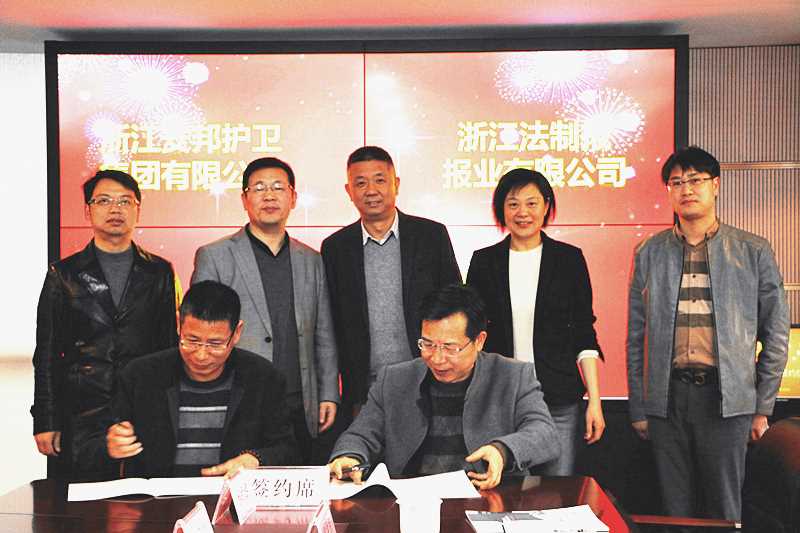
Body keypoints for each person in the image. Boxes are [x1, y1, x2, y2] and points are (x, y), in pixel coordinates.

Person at [626, 146, 789, 521]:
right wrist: (639, 406)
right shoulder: (649, 251)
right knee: (674, 509)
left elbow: (776, 335)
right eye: (676, 182)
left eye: (696, 180)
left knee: (725, 509)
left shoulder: (752, 250)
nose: (686, 189)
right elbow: (636, 337)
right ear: (669, 191)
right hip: (667, 399)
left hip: (726, 400)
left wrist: (761, 406)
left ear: (715, 185)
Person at [328, 284, 559, 490]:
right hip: (413, 501)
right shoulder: (395, 380)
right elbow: (360, 435)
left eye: (450, 348)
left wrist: (502, 451)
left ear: (479, 341)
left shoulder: (513, 376)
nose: (437, 359)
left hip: (487, 498)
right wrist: (349, 456)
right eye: (427, 344)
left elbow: (544, 433)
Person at [31, 169, 179, 480]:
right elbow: (46, 354)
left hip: (141, 408)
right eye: (104, 201)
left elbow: (168, 347)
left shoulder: (159, 272)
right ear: (88, 210)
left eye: (125, 201)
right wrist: (45, 419)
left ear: (138, 209)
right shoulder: (63, 274)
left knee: (142, 501)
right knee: (78, 503)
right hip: (81, 411)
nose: (115, 209)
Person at [191, 157, 339, 465]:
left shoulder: (311, 259)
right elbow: (200, 334)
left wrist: (328, 393)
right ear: (244, 199)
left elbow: (323, 333)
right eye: (259, 188)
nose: (269, 196)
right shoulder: (215, 256)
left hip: (300, 402)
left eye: (278, 188)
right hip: (239, 400)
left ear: (293, 197)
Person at [466, 168, 605, 475]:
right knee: (503, 491)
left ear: (546, 206)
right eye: (513, 204)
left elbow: (584, 333)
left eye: (532, 203)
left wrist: (595, 401)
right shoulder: (484, 262)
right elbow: (472, 334)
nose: (523, 212)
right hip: (499, 399)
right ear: (501, 209)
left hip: (558, 399)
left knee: (557, 493)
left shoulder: (569, 260)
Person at [321, 146, 462, 424]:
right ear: (349, 191)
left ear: (396, 184)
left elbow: (456, 304)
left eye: (380, 180)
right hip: (364, 390)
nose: (371, 190)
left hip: (429, 379)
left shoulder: (431, 236)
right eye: (361, 183)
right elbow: (329, 323)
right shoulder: (336, 248)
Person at [106, 280, 298, 477]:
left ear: (237, 333)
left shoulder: (264, 378)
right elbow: (92, 444)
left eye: (215, 344)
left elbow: (287, 449)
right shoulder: (140, 376)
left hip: (229, 492)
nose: (201, 355)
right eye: (192, 341)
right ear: (179, 324)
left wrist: (255, 459)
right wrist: (110, 445)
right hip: (158, 494)